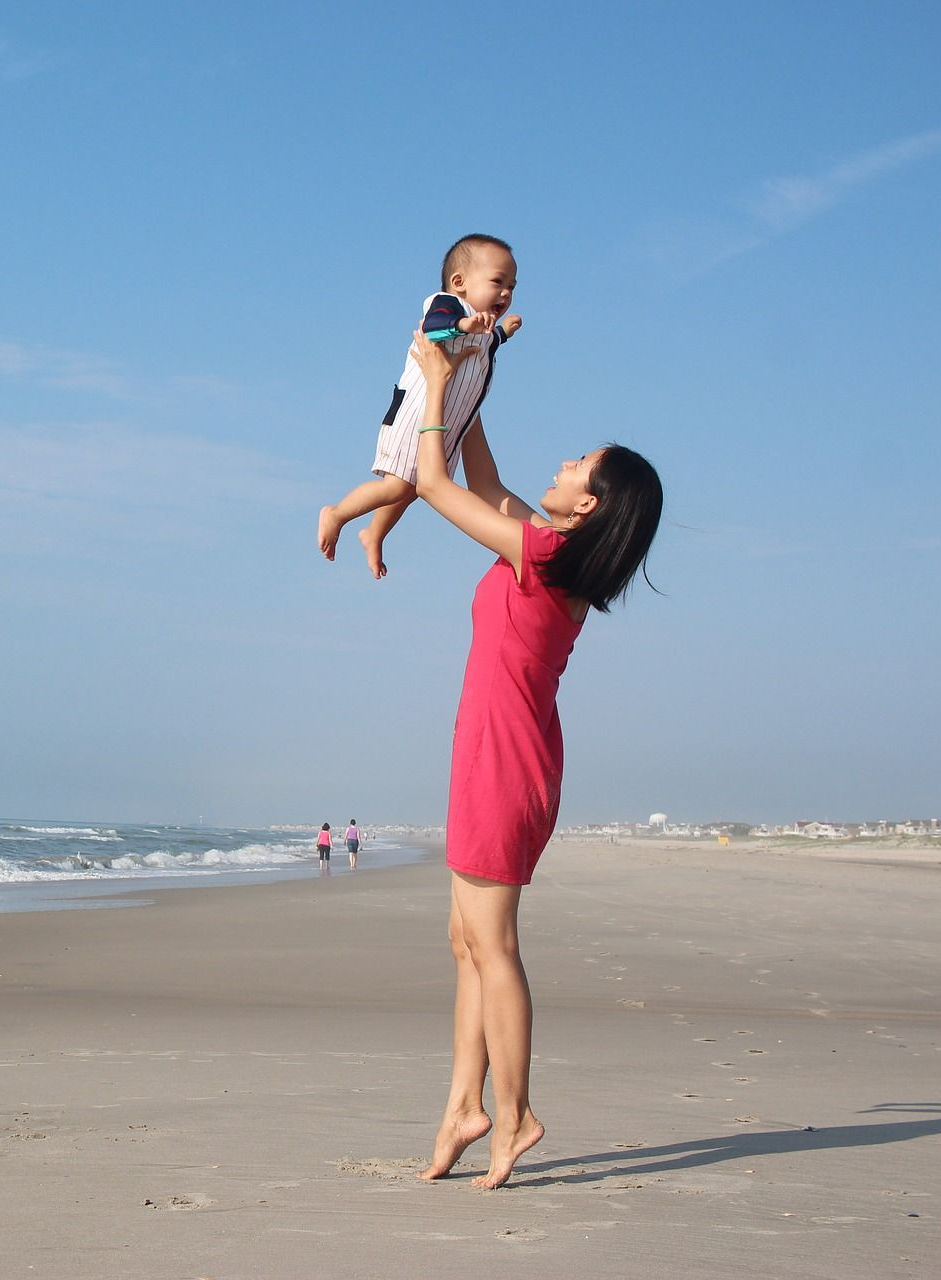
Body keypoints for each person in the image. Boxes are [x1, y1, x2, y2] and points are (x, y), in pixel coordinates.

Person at [408, 330, 663, 1190]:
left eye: (576, 463)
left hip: (505, 761)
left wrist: (436, 387)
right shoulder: (548, 550)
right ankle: (460, 1107)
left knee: (494, 945)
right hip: (494, 751)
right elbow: (482, 480)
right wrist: (474, 369)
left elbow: (437, 482)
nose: (560, 463)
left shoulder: (547, 555)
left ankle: (512, 1113)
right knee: (465, 942)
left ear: (586, 505)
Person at [317, 234, 522, 579]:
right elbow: (435, 327)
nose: (505, 293)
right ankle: (336, 513)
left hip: (447, 421)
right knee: (398, 485)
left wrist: (503, 333)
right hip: (416, 412)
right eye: (497, 282)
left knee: (412, 488)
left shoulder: (481, 325)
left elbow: (486, 346)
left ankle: (374, 533)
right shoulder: (447, 306)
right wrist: (462, 325)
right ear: (459, 283)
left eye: (511, 286)